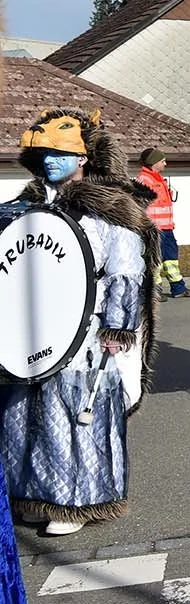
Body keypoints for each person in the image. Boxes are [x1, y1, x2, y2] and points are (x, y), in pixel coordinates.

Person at [3, 108, 158, 536]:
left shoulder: (108, 209)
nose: (50, 160)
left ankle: (77, 500)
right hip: (32, 327)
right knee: (25, 412)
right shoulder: (26, 205)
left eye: (60, 153)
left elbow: (126, 271)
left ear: (83, 158)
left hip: (84, 329)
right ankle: (33, 493)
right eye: (44, 154)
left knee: (73, 414)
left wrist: (117, 328)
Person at [136, 147, 190, 300]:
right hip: (154, 228)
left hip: (167, 227)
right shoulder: (144, 180)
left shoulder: (158, 179)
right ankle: (154, 291)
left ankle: (178, 288)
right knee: (155, 259)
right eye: (162, 161)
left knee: (170, 258)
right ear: (153, 162)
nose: (166, 164)